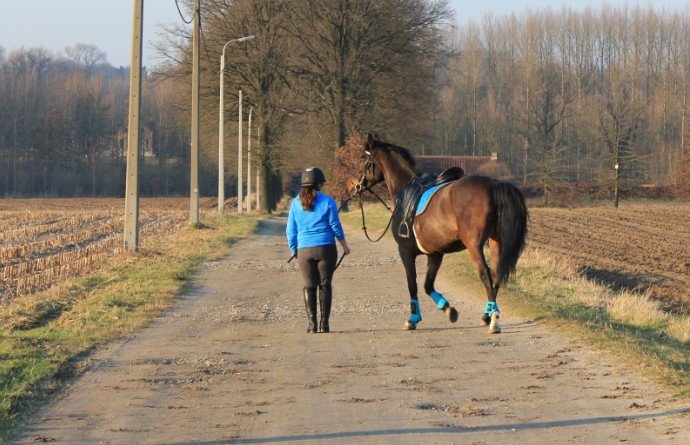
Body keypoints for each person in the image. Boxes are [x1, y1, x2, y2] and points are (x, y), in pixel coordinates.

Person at [286, 167, 350, 333]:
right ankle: (325, 324)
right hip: (326, 248)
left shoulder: (295, 203)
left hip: (304, 250)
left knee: (309, 285)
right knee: (325, 285)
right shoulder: (328, 201)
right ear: (319, 183)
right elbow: (335, 225)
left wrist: (294, 249)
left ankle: (312, 325)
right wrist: (344, 245)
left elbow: (290, 230)